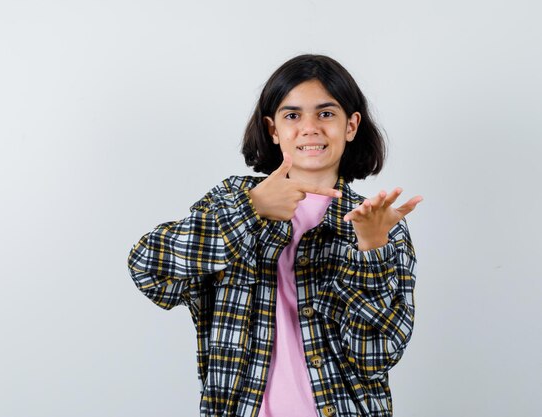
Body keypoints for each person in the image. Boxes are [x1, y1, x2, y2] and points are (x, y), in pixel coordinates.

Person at [127, 54, 422, 417]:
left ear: (351, 125)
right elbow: (149, 272)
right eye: (293, 115)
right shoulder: (230, 201)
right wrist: (250, 210)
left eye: (326, 113)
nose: (310, 127)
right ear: (272, 129)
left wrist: (370, 249)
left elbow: (375, 356)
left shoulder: (379, 221)